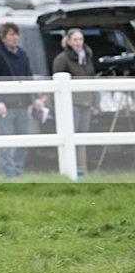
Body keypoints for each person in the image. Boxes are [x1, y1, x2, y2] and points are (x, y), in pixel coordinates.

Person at [0, 21, 44, 178]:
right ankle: (9, 173)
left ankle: (18, 170)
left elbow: (28, 78)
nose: (15, 38)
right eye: (11, 34)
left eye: (16, 34)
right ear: (3, 37)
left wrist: (34, 98)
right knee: (5, 141)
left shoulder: (22, 54)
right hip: (6, 105)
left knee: (22, 140)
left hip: (22, 104)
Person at [52, 28, 97, 181]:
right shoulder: (62, 59)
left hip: (86, 102)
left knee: (82, 137)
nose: (78, 43)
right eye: (75, 40)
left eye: (80, 39)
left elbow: (92, 79)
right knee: (72, 136)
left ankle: (82, 171)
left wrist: (94, 102)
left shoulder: (87, 57)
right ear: (69, 41)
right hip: (72, 103)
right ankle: (72, 171)